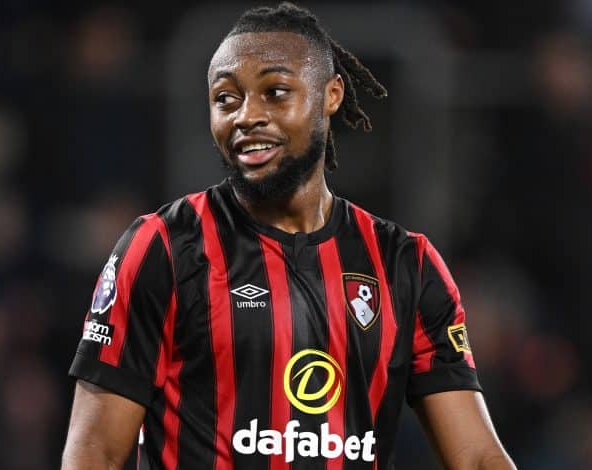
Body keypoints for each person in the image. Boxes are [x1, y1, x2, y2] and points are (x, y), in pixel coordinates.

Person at [61, 3, 515, 469]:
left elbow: (477, 457)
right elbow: (96, 450)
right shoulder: (164, 249)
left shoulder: (405, 263)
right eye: (226, 99)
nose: (246, 116)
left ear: (331, 95)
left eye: (275, 93)